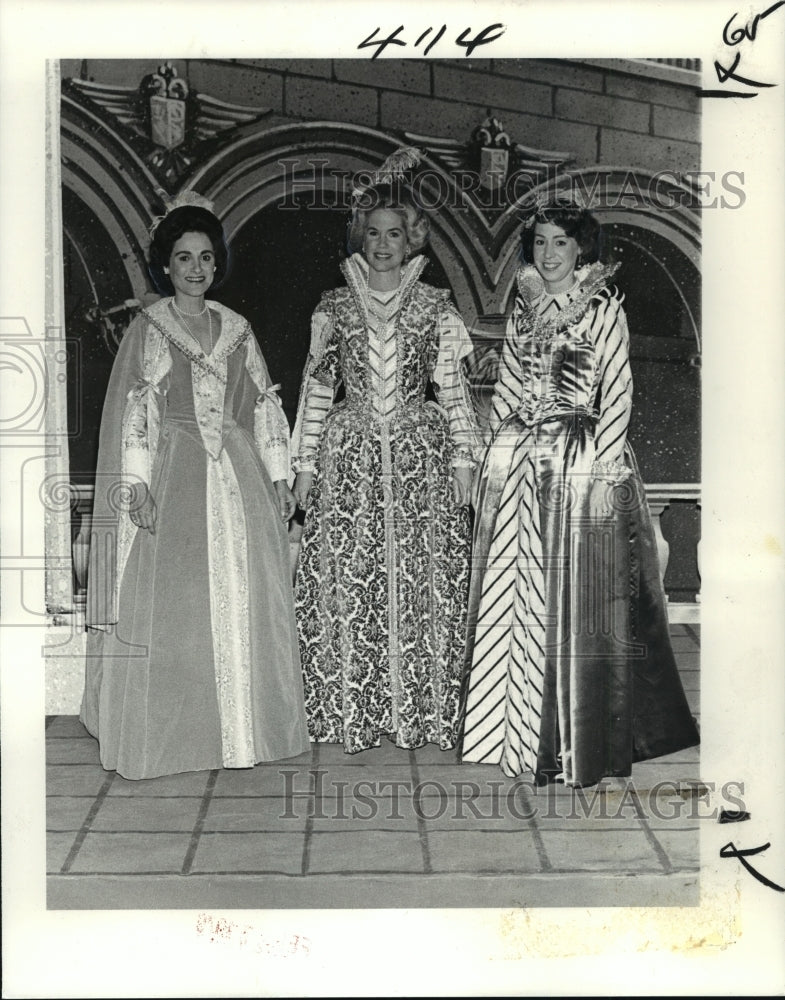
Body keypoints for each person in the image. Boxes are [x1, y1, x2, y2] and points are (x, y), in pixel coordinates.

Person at [461, 197, 699, 787]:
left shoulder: (602, 305)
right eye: (540, 242)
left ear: (581, 248)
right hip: (523, 459)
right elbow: (512, 382)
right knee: (517, 589)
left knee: (579, 595)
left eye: (560, 243)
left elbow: (617, 390)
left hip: (579, 458)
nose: (549, 254)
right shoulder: (524, 303)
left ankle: (572, 736)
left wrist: (602, 469)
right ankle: (508, 728)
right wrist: (497, 447)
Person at [81, 195, 310, 779]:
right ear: (166, 266)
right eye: (184, 257)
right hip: (175, 469)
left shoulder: (235, 329)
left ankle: (243, 732)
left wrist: (279, 474)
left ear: (216, 263)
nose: (196, 268)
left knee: (243, 592)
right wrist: (135, 484)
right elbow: (136, 411)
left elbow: (261, 404)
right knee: (178, 604)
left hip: (238, 474)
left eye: (206, 257)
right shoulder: (150, 329)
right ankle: (182, 732)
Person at [292, 173, 483, 754]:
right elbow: (317, 390)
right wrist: (304, 465)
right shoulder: (333, 307)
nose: (382, 243)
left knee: (422, 579)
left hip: (418, 459)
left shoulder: (435, 306)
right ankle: (356, 712)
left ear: (411, 240)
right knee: (352, 576)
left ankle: (421, 714)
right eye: (373, 232)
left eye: (394, 233)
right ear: (360, 236)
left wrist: (463, 461)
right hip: (349, 457)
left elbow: (452, 391)